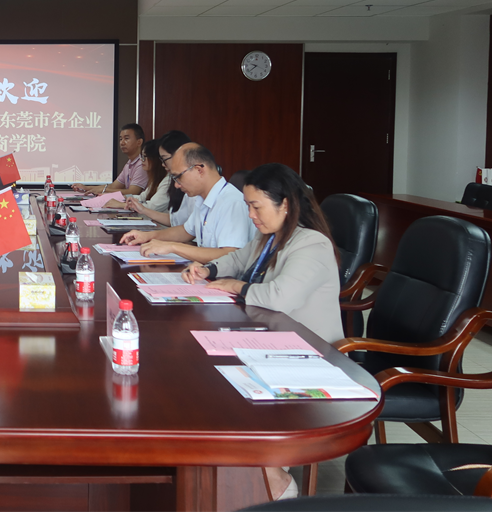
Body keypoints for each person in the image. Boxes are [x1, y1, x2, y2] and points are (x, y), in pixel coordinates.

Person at [181, 162, 342, 499]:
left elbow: (278, 297)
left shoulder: (311, 244)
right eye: (248, 206)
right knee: (200, 371)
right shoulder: (270, 236)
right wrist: (209, 270)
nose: (251, 215)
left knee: (220, 386)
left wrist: (236, 286)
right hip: (272, 340)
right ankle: (234, 472)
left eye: (256, 206)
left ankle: (273, 478)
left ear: (285, 204)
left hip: (309, 354)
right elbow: (238, 259)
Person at [121, 143, 253, 263]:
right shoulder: (202, 198)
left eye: (178, 177)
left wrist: (172, 247)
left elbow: (229, 254)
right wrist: (147, 236)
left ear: (199, 170)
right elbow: (185, 231)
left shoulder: (232, 202)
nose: (176, 185)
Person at [122, 131, 197, 227]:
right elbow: (175, 221)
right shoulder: (168, 180)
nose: (163, 164)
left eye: (164, 159)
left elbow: (154, 207)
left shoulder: (175, 183)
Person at [72, 123, 147, 196]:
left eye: (126, 138)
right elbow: (113, 186)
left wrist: (103, 190)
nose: (122, 143)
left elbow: (133, 192)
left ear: (139, 142)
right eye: (121, 139)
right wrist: (86, 188)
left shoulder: (142, 164)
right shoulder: (129, 164)